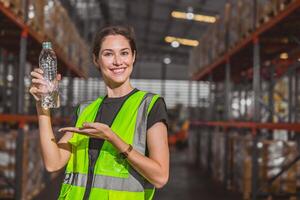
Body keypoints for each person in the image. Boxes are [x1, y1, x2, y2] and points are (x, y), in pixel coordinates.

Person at [29, 25, 169, 200]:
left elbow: (160, 177)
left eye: (124, 53)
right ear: (96, 60)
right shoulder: (85, 110)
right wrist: (42, 108)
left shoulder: (150, 105)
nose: (118, 61)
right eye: (108, 54)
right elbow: (52, 163)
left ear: (133, 57)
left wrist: (113, 138)